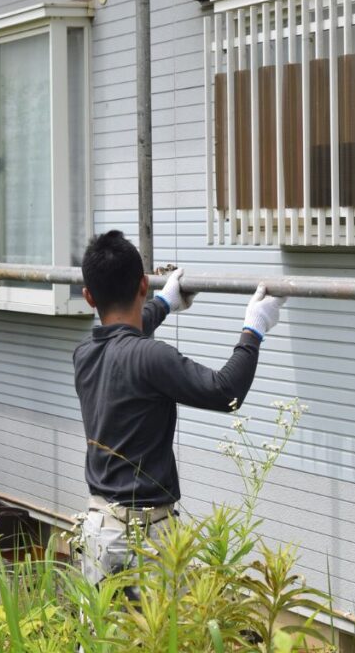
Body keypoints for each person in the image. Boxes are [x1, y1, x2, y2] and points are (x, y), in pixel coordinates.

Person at [73, 230, 285, 589]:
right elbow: (225, 392)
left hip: (98, 530)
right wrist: (254, 328)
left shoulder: (84, 355)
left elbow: (123, 334)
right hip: (144, 539)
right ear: (142, 284)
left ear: (89, 296)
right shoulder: (150, 357)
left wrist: (164, 303)